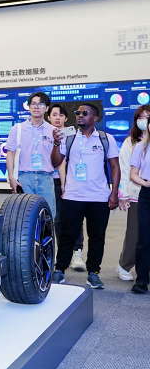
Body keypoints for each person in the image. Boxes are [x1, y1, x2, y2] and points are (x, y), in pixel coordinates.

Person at [50, 103, 120, 290]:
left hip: (99, 197)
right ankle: (60, 270)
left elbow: (115, 167)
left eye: (84, 113)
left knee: (97, 237)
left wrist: (114, 192)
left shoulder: (106, 139)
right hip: (73, 195)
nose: (79, 115)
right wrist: (56, 143)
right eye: (78, 113)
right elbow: (56, 162)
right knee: (67, 235)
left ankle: (93, 273)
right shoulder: (69, 138)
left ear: (95, 118)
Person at [5, 92, 57, 217]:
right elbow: (10, 154)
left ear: (47, 108)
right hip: (24, 178)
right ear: (28, 107)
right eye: (33, 104)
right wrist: (11, 177)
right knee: (24, 216)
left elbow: (57, 158)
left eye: (40, 104)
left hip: (45, 178)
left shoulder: (53, 131)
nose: (36, 107)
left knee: (47, 216)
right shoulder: (17, 129)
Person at [48, 104, 84, 270]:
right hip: (51, 181)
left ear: (66, 118)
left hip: (72, 181)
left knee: (75, 216)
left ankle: (77, 252)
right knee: (58, 219)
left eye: (61, 115)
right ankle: (62, 252)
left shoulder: (74, 135)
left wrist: (65, 183)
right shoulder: (45, 134)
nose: (58, 118)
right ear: (49, 117)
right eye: (54, 114)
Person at [117, 105, 150, 281]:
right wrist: (123, 194)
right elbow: (124, 169)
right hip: (137, 194)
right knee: (135, 233)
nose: (144, 120)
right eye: (140, 117)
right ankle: (124, 265)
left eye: (147, 116)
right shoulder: (131, 142)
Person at [129, 129, 150, 294]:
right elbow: (133, 174)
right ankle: (142, 280)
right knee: (144, 237)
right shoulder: (141, 147)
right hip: (147, 195)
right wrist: (146, 183)